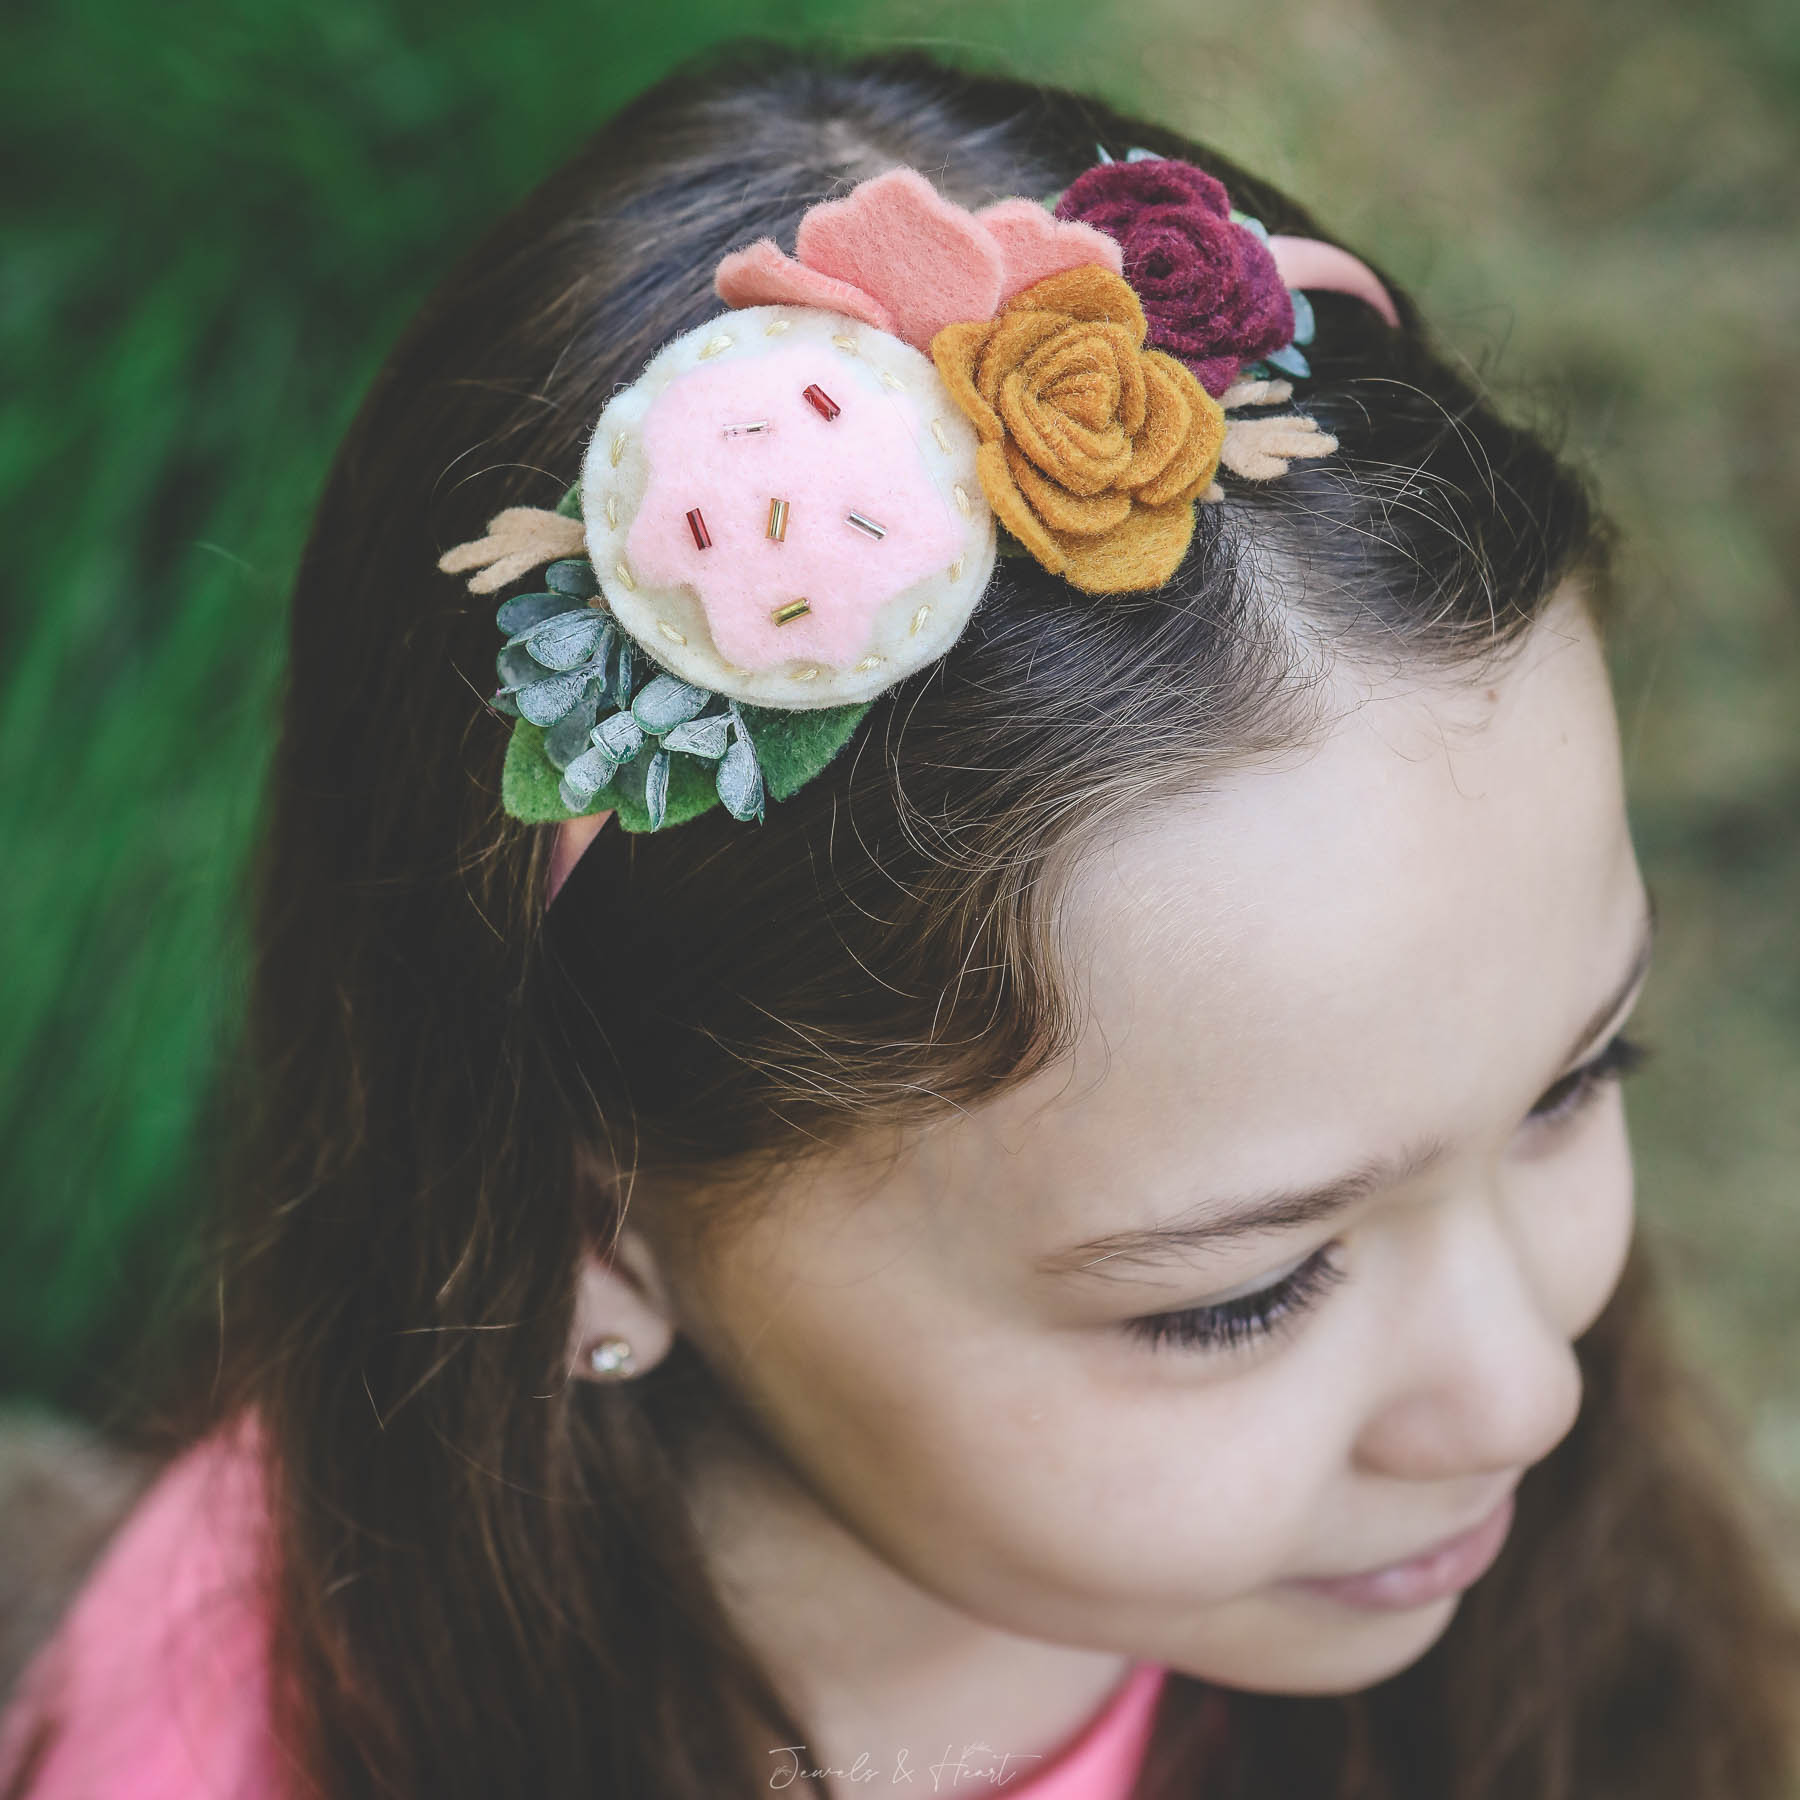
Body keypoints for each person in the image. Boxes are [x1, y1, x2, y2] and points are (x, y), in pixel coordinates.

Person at [3, 39, 1797, 1800]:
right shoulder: (224, 1755)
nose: (1522, 1399)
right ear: (591, 1232)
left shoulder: (1559, 1635)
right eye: (1242, 1299)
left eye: (1577, 1080)